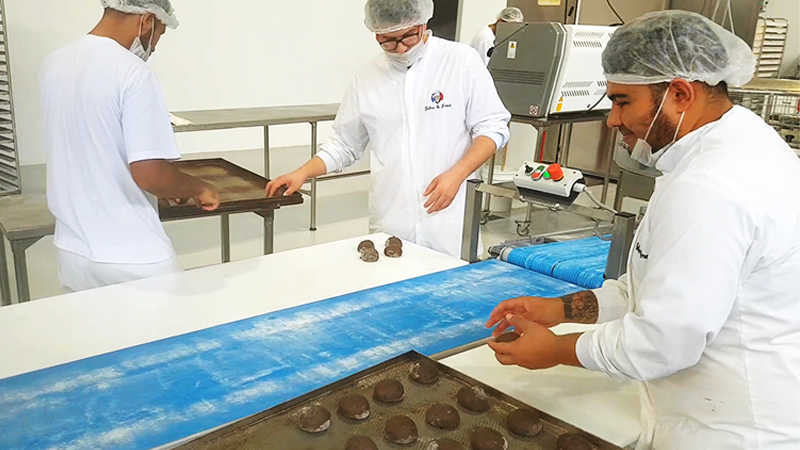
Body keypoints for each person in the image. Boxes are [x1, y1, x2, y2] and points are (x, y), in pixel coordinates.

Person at [485, 11, 800, 450]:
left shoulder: (712, 187)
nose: (612, 120)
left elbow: (665, 340)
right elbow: (651, 291)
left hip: (735, 429)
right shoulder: (735, 146)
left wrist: (556, 350)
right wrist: (557, 310)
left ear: (680, 94)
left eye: (622, 102)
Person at [266, 0, 510, 257]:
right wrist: (303, 172)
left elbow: (492, 127)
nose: (401, 48)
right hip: (393, 221)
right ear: (376, 34)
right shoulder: (367, 77)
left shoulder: (460, 61)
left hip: (450, 219)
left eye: (408, 36)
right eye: (389, 41)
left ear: (423, 22)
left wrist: (457, 174)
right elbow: (345, 144)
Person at [40, 0, 220, 293]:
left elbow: (91, 147)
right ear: (146, 21)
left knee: (96, 338)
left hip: (73, 253)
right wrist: (198, 188)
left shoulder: (54, 63)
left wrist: (172, 188)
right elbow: (150, 174)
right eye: (159, 34)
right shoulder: (134, 74)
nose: (155, 47)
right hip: (134, 258)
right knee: (164, 337)